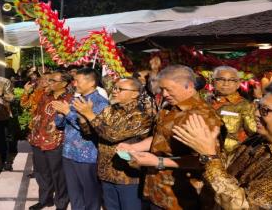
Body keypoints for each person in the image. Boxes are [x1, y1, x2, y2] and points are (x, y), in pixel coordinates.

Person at [172, 80, 272, 209]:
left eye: (265, 110)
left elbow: (244, 206)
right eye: (258, 106)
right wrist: (204, 143)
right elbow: (227, 164)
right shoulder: (257, 140)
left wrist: (209, 156)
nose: (256, 114)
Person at [118, 65, 221, 209]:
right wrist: (134, 147)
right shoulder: (169, 107)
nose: (164, 94)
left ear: (189, 86)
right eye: (162, 89)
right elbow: (160, 138)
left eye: (169, 90)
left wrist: (160, 161)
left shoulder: (202, 115)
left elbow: (205, 160)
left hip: (180, 197)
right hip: (155, 189)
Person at [73, 78, 151, 210]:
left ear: (135, 94)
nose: (115, 92)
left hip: (126, 175)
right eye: (114, 88)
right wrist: (82, 117)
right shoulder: (110, 109)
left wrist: (90, 114)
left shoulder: (141, 116)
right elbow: (91, 133)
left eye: (120, 89)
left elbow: (112, 136)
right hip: (105, 171)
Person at [53, 68, 109, 210]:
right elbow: (60, 125)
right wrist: (60, 114)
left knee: (90, 194)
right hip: (68, 152)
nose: (74, 83)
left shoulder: (101, 103)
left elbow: (92, 130)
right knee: (74, 193)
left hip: (87, 155)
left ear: (91, 83)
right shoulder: (75, 98)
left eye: (77, 80)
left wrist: (67, 113)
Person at [27, 70, 72, 210]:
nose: (49, 82)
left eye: (53, 81)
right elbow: (38, 113)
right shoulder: (45, 95)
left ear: (64, 83)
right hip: (38, 139)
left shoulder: (70, 99)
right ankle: (45, 199)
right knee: (41, 172)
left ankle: (61, 203)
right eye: (49, 80)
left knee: (58, 174)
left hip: (56, 142)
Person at [208, 66, 256, 154]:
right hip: (204, 152)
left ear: (238, 84)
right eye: (221, 79)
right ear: (212, 82)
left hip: (231, 156)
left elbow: (254, 133)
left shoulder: (244, 105)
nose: (226, 83)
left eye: (232, 80)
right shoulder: (205, 102)